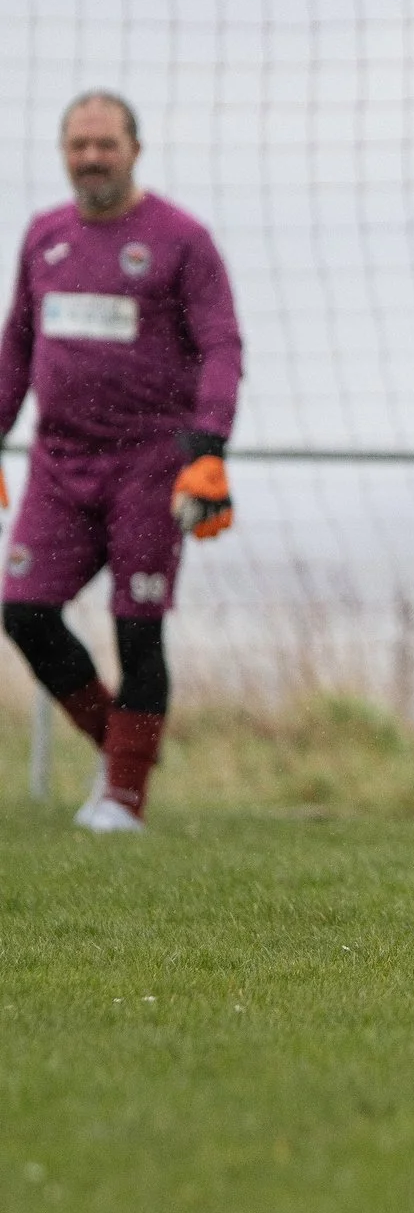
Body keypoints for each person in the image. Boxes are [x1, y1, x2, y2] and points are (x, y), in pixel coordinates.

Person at [0, 90, 243, 832]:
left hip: (151, 465)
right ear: (63, 153)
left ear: (135, 148)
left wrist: (207, 448)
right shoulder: (44, 236)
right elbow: (17, 345)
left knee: (138, 625)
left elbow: (222, 346)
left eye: (105, 144)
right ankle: (123, 752)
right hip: (59, 463)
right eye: (79, 145)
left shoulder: (181, 239)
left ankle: (124, 801)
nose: (92, 158)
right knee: (24, 609)